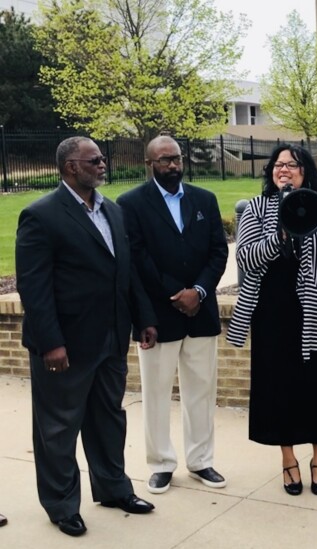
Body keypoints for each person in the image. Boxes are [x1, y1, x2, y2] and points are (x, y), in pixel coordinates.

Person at [15, 137, 158, 537]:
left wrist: (143, 317)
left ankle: (114, 489)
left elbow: (124, 272)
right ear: (70, 167)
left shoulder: (112, 210)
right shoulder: (40, 216)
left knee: (109, 419)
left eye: (102, 158)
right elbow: (34, 288)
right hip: (66, 346)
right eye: (94, 160)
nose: (103, 164)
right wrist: (51, 343)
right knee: (59, 428)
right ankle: (61, 506)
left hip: (111, 340)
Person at [226, 144, 317, 497]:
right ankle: (288, 458)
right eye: (278, 165)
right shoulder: (254, 209)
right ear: (271, 173)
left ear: (305, 172)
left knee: (314, 385)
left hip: (313, 312)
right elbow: (247, 259)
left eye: (292, 165)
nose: (284, 170)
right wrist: (278, 236)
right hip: (271, 311)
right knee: (277, 387)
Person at [117, 136, 229, 495]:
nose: (174, 165)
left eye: (177, 158)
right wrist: (174, 293)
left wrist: (198, 291)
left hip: (202, 311)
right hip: (156, 315)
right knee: (156, 393)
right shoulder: (130, 204)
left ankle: (201, 461)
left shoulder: (204, 199)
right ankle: (161, 463)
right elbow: (137, 258)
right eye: (165, 160)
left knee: (201, 391)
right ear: (149, 164)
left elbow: (218, 252)